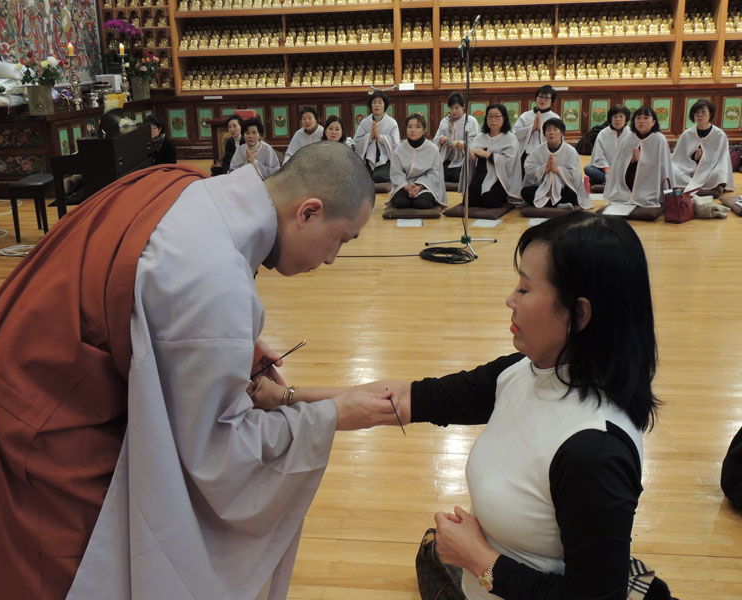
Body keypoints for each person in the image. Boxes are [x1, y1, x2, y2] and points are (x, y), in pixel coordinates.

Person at [0, 142, 401, 600]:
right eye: (342, 239)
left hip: (6, 371)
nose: (332, 259)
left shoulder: (187, 186)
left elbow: (144, 298)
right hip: (35, 439)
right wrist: (330, 416)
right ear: (308, 212)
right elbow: (215, 458)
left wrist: (230, 344)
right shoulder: (214, 277)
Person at [248, 211, 674, 600]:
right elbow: (403, 398)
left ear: (579, 315)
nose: (510, 299)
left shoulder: (594, 451)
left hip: (497, 576)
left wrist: (479, 560)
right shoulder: (524, 372)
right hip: (485, 575)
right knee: (434, 550)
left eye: (525, 288)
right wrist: (284, 397)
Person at [605, 106, 673, 207]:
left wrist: (640, 160)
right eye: (638, 118)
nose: (641, 121)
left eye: (646, 118)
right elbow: (619, 165)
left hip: (650, 182)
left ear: (653, 122)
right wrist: (631, 161)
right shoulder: (629, 138)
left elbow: (660, 168)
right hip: (629, 181)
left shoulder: (659, 139)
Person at [459, 103, 521, 208]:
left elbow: (508, 162)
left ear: (504, 118)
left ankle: (503, 196)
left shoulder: (510, 138)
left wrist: (486, 154)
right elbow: (473, 158)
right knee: (469, 201)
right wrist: (465, 147)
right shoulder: (480, 137)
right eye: (490, 116)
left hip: (498, 178)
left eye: (497, 116)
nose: (493, 119)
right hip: (480, 175)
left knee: (490, 201)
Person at [521, 118, 592, 209]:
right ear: (544, 133)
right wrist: (545, 168)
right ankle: (558, 205)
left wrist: (558, 170)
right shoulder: (537, 150)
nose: (551, 133)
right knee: (525, 192)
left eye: (555, 129)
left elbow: (575, 175)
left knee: (573, 195)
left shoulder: (570, 151)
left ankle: (546, 203)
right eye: (548, 130)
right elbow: (529, 170)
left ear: (562, 133)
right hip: (541, 187)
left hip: (563, 188)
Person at [671, 99, 735, 197]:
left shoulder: (720, 135)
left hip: (710, 170)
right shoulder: (687, 134)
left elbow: (722, 160)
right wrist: (694, 157)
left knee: (718, 173)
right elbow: (678, 159)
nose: (699, 115)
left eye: (703, 112)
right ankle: (708, 191)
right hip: (690, 170)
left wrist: (703, 158)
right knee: (673, 171)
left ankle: (686, 189)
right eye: (696, 113)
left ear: (710, 114)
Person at [388, 113, 447, 210]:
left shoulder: (432, 149)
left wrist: (419, 186)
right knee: (401, 203)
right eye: (409, 127)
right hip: (404, 186)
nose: (413, 130)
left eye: (417, 127)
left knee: (421, 203)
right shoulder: (399, 150)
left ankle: (422, 197)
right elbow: (396, 173)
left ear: (424, 130)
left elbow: (435, 173)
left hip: (426, 186)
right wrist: (407, 187)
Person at [354, 90, 401, 183]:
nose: (377, 105)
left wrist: (380, 137)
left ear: (385, 105)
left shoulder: (392, 123)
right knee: (363, 176)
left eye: (380, 102)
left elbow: (396, 145)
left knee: (380, 176)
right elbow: (357, 141)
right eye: (374, 102)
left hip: (386, 160)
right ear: (371, 105)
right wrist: (370, 137)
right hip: (368, 159)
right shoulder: (365, 122)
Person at [433, 91, 480, 183]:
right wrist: (441, 140)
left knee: (458, 177)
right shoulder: (444, 122)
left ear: (463, 106)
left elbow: (475, 143)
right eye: (451, 108)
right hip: (446, 160)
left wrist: (460, 144)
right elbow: (436, 140)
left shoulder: (470, 121)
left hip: (463, 162)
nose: (453, 111)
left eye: (457, 108)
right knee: (436, 175)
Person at [513, 84, 561, 168]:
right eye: (540, 97)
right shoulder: (526, 115)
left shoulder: (554, 118)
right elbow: (515, 134)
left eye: (546, 98)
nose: (543, 100)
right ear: (536, 98)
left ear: (551, 101)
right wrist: (531, 128)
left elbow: (558, 138)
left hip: (546, 154)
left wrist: (541, 129)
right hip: (525, 153)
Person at [584, 105, 632, 188]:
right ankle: (613, 183)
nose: (618, 119)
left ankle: (607, 184)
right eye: (615, 116)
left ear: (626, 119)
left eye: (621, 117)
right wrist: (607, 170)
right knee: (589, 168)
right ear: (610, 119)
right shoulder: (603, 133)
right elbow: (599, 156)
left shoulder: (631, 134)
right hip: (606, 170)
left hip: (624, 171)